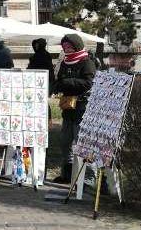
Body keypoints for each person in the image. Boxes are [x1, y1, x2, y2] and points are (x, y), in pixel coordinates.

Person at [52, 33, 96, 184]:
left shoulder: (87, 62)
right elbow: (59, 81)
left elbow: (88, 83)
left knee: (81, 143)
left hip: (82, 108)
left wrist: (68, 82)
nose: (67, 50)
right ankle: (68, 174)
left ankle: (88, 178)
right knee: (65, 142)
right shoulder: (64, 62)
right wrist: (58, 85)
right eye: (65, 47)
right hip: (67, 107)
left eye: (69, 47)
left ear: (76, 46)